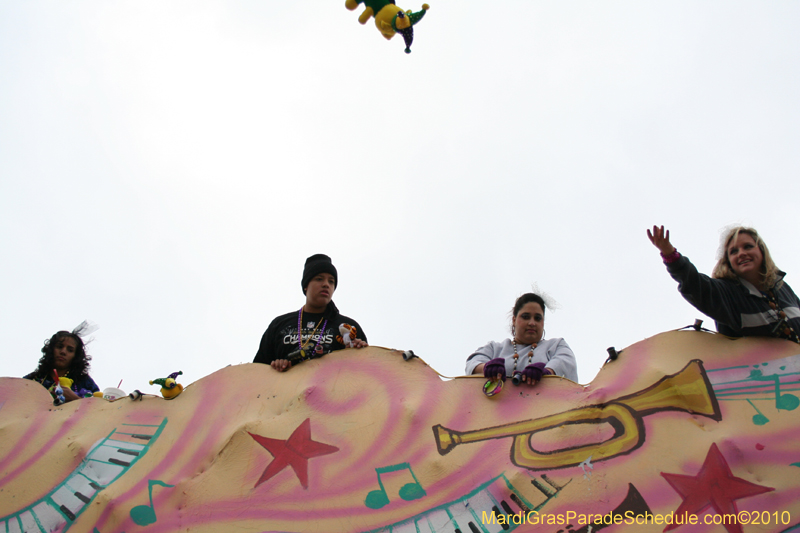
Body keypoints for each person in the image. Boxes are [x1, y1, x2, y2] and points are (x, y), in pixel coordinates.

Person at [647, 225, 800, 343]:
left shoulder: (782, 288)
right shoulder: (726, 293)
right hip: (766, 381)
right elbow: (695, 285)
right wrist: (670, 255)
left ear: (761, 251)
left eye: (747, 246)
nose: (741, 253)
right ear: (728, 262)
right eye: (733, 251)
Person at [254, 254, 368, 372]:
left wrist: (359, 352)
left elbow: (366, 374)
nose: (326, 284)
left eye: (331, 281)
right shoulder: (280, 324)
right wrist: (275, 368)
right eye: (319, 279)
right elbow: (257, 372)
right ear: (306, 286)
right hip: (287, 389)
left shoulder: (347, 326)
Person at [465, 293, 578, 385]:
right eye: (526, 317)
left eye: (537, 318)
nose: (532, 323)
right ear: (514, 320)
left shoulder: (556, 345)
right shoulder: (495, 348)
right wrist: (486, 368)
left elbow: (565, 362)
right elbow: (472, 362)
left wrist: (546, 372)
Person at [25, 325, 100, 402]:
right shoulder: (32, 380)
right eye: (59, 347)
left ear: (76, 356)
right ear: (51, 350)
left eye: (70, 350)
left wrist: (75, 399)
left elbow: (99, 409)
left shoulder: (84, 382)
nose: (63, 352)